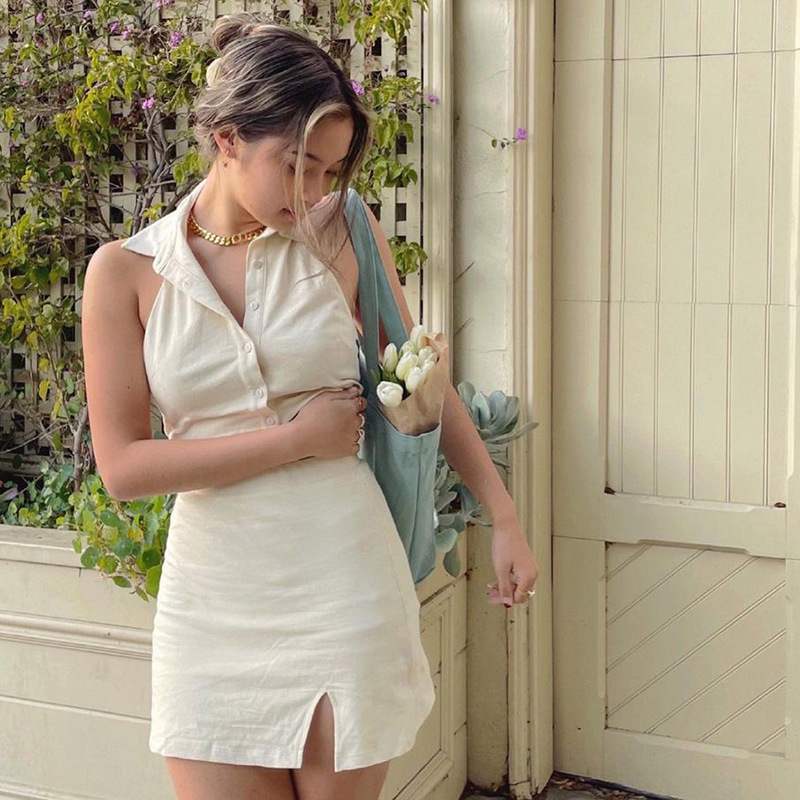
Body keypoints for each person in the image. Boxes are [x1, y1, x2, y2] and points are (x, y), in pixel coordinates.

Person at [81, 12, 538, 800]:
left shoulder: (342, 233)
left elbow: (421, 382)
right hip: (212, 600)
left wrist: (503, 516)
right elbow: (124, 469)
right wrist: (296, 440)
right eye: (297, 166)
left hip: (342, 582)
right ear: (226, 139)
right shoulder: (125, 272)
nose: (316, 191)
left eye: (330, 169)